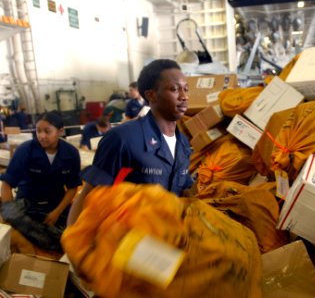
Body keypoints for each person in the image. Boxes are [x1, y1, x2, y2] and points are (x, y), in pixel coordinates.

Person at [67, 59, 192, 225]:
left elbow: (184, 192)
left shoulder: (183, 144)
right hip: (125, 241)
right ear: (151, 95)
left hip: (164, 241)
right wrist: (73, 242)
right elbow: (88, 195)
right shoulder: (123, 139)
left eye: (185, 89)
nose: (184, 96)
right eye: (174, 89)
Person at [0, 111, 82, 251]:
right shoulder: (25, 150)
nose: (42, 136)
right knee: (24, 240)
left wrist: (57, 212)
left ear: (60, 131)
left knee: (72, 239)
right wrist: (10, 213)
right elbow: (7, 184)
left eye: (47, 131)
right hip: (28, 205)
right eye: (38, 131)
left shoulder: (71, 153)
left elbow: (72, 188)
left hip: (56, 205)